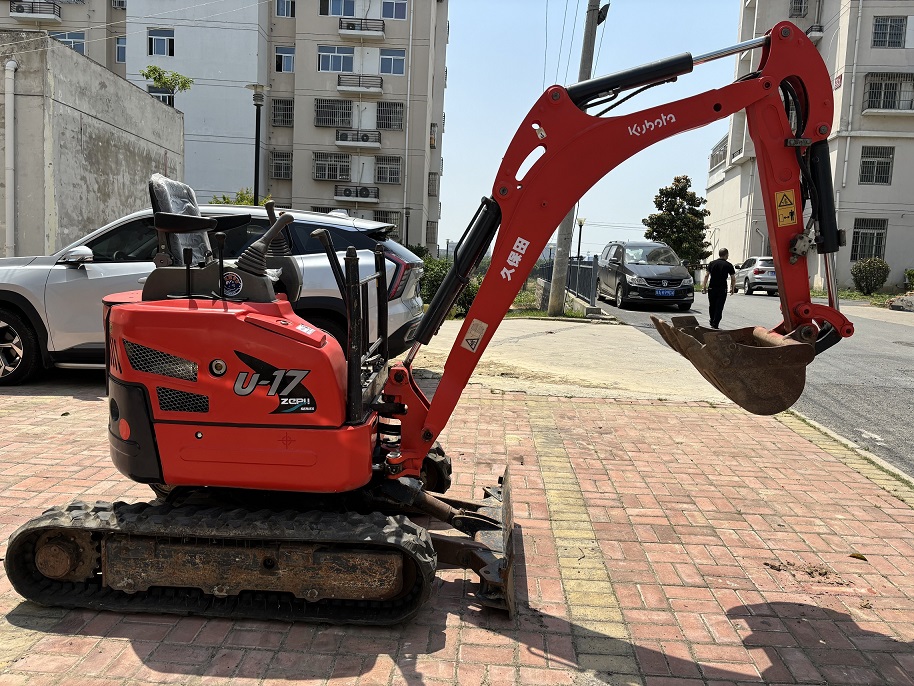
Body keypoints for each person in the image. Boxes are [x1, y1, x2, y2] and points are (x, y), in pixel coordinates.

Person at [701, 248, 736, 329]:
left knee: (712, 305)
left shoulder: (712, 263)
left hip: (712, 288)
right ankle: (715, 323)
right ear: (726, 255)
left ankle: (712, 319)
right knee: (719, 306)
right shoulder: (729, 265)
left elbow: (706, 275)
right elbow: (733, 278)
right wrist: (732, 288)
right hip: (722, 289)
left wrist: (704, 287)